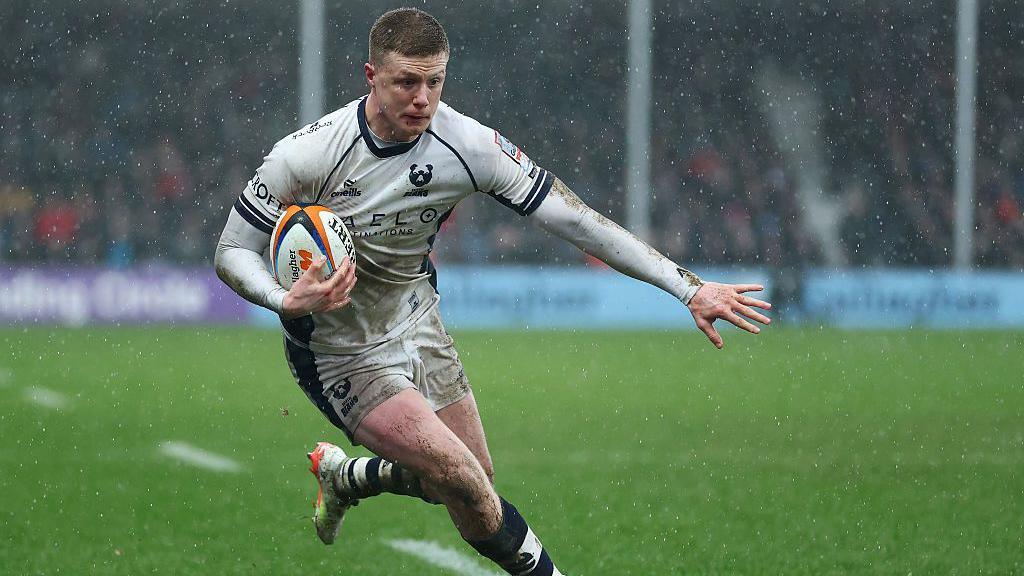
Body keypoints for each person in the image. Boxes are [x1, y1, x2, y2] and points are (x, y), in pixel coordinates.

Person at [214, 8, 771, 575]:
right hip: (339, 354)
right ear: (371, 76)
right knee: (462, 480)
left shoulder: (469, 145)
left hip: (416, 320)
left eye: (435, 82)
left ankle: (348, 476)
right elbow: (231, 252)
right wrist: (286, 300)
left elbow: (576, 219)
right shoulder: (307, 154)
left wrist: (689, 288)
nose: (422, 99)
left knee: (470, 481)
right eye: (407, 82)